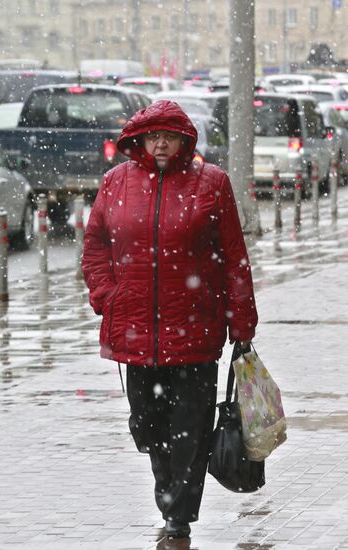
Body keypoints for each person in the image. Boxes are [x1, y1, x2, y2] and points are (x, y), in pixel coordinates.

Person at [82, 100, 258, 539]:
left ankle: (178, 515)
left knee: (191, 429)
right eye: (152, 135)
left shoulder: (211, 183)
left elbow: (233, 258)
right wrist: (108, 296)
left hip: (196, 330)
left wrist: (242, 324)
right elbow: (96, 247)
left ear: (184, 139)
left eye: (169, 135)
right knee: (147, 425)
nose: (160, 143)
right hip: (136, 331)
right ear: (138, 140)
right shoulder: (115, 183)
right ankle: (170, 495)